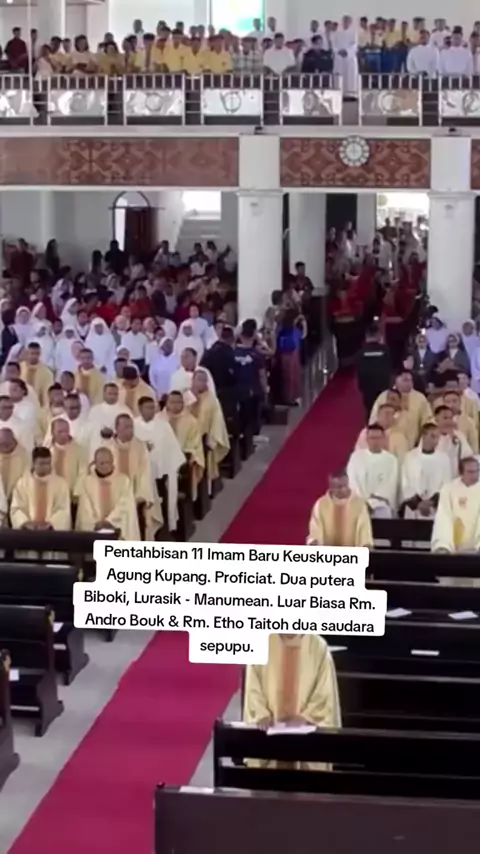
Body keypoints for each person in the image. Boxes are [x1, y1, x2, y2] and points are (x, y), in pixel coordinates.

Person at [243, 633, 341, 769]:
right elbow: (253, 689)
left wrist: (306, 717)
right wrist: (262, 714)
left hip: (307, 744)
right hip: (269, 741)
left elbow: (324, 695)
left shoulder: (318, 647)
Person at [103, 413, 160, 538]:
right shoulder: (107, 447)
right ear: (117, 429)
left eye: (131, 427)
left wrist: (141, 496)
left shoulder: (140, 447)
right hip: (113, 494)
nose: (130, 431)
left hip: (135, 494)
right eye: (126, 427)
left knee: (133, 508)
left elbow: (145, 473)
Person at [134, 396, 185, 532]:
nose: (151, 410)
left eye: (153, 407)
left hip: (161, 471)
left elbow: (171, 447)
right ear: (140, 409)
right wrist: (143, 447)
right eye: (147, 408)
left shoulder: (163, 425)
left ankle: (165, 523)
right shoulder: (133, 425)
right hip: (140, 471)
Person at [75, 447, 140, 540]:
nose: (105, 466)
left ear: (112, 462)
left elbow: (125, 505)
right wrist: (96, 523)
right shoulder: (87, 482)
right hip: (94, 531)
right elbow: (85, 509)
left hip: (117, 530)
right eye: (101, 463)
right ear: (95, 463)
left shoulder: (124, 481)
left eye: (108, 462)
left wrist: (110, 521)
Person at [11, 447, 71, 530]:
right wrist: (25, 522)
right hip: (27, 531)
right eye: (41, 463)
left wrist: (51, 524)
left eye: (48, 463)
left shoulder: (61, 484)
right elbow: (17, 508)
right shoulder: (22, 484)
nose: (46, 467)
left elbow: (63, 509)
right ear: (33, 463)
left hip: (51, 531)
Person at [307, 470, 373, 546]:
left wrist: (366, 544)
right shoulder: (321, 505)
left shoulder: (359, 504)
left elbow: (364, 529)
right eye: (339, 487)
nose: (344, 489)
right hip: (327, 552)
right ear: (331, 487)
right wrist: (315, 541)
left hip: (352, 552)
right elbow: (315, 528)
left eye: (345, 485)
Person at [347, 424, 399, 518]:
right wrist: (363, 502)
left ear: (384, 439)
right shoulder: (356, 457)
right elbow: (352, 482)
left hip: (381, 505)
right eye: (372, 438)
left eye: (378, 438)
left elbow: (390, 484)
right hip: (359, 504)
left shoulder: (391, 460)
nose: (375, 441)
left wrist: (372, 503)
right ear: (367, 439)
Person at [401, 422, 451, 518]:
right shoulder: (410, 457)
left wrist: (432, 502)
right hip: (414, 508)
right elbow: (405, 482)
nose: (436, 440)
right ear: (423, 436)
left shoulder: (444, 458)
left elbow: (446, 483)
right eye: (433, 436)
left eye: (437, 437)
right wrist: (418, 503)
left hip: (435, 508)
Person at [189, 368, 229, 487]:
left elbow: (217, 422)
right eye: (198, 380)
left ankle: (203, 488)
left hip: (203, 440)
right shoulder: (186, 396)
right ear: (192, 381)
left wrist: (211, 441)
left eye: (203, 380)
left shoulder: (212, 400)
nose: (201, 383)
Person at [370, 370, 432, 446]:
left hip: (412, 444)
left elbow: (427, 421)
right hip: (385, 444)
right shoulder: (383, 396)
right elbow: (373, 419)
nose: (409, 383)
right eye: (405, 380)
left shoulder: (420, 398)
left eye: (410, 380)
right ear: (396, 380)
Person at [431, 457, 480, 553]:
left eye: (477, 471)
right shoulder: (448, 489)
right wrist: (444, 544)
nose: (474, 475)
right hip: (454, 547)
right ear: (461, 473)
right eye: (470, 472)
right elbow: (444, 516)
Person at [356, 325, 392, 418]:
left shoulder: (361, 352)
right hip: (382, 384)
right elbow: (389, 367)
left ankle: (370, 422)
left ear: (366, 336)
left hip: (367, 385)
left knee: (370, 408)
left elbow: (359, 370)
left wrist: (361, 386)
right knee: (382, 407)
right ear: (378, 335)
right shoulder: (385, 350)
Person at [46, 416, 86, 496]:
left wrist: (76, 493)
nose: (64, 434)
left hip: (71, 494)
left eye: (66, 431)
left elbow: (83, 472)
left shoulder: (79, 450)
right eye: (60, 432)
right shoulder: (46, 449)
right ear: (52, 432)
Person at [434, 405, 472, 479]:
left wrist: (453, 439)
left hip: (455, 477)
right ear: (436, 420)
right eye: (445, 418)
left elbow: (467, 456)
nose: (448, 421)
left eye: (450, 418)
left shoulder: (459, 435)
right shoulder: (431, 435)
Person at [20, 341, 54, 407]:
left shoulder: (46, 372)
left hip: (38, 406)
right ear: (27, 353)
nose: (35, 356)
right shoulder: (20, 368)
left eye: (37, 354)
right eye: (32, 353)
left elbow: (47, 393)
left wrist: (45, 408)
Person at [0, 427, 29, 500]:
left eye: (8, 444)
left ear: (14, 441)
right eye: (2, 444)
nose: (5, 446)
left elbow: (27, 479)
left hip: (18, 497)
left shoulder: (24, 456)